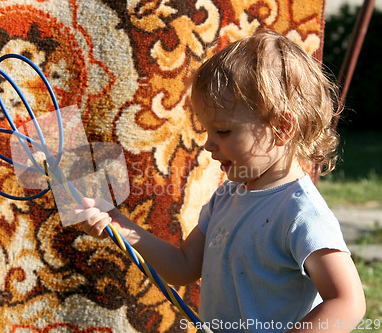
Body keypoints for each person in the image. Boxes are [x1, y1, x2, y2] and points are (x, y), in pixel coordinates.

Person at [71, 29, 365, 332]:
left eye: (223, 131)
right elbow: (183, 266)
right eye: (206, 132)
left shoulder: (300, 213)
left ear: (281, 127)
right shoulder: (226, 197)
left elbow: (348, 302)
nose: (208, 145)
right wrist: (117, 223)